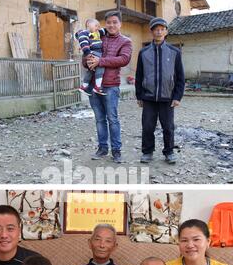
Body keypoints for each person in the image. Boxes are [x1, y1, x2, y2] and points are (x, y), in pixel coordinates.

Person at [135, 17, 185, 165]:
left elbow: (180, 77)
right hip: (149, 97)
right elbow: (139, 75)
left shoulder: (174, 52)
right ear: (151, 31)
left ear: (166, 31)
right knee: (148, 126)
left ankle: (169, 152)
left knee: (168, 127)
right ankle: (147, 152)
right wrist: (139, 95)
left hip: (167, 97)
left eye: (162, 29)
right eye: (156, 29)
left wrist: (177, 96)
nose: (159, 31)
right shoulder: (143, 52)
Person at [84, 11, 132, 164]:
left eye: (114, 22)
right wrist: (88, 60)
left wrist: (100, 61)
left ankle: (116, 150)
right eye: (108, 22)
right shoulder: (97, 37)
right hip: (93, 85)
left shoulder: (125, 41)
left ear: (120, 24)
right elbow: (85, 59)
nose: (111, 25)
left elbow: (123, 59)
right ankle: (102, 148)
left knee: (112, 119)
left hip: (111, 86)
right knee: (99, 119)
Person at [76, 18, 106, 96]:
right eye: (96, 25)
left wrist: (108, 28)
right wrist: (87, 51)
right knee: (101, 66)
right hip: (92, 52)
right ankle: (97, 87)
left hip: (96, 52)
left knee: (91, 70)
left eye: (98, 26)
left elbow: (104, 30)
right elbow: (83, 41)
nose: (98, 27)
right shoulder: (84, 32)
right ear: (88, 25)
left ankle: (83, 87)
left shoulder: (97, 32)